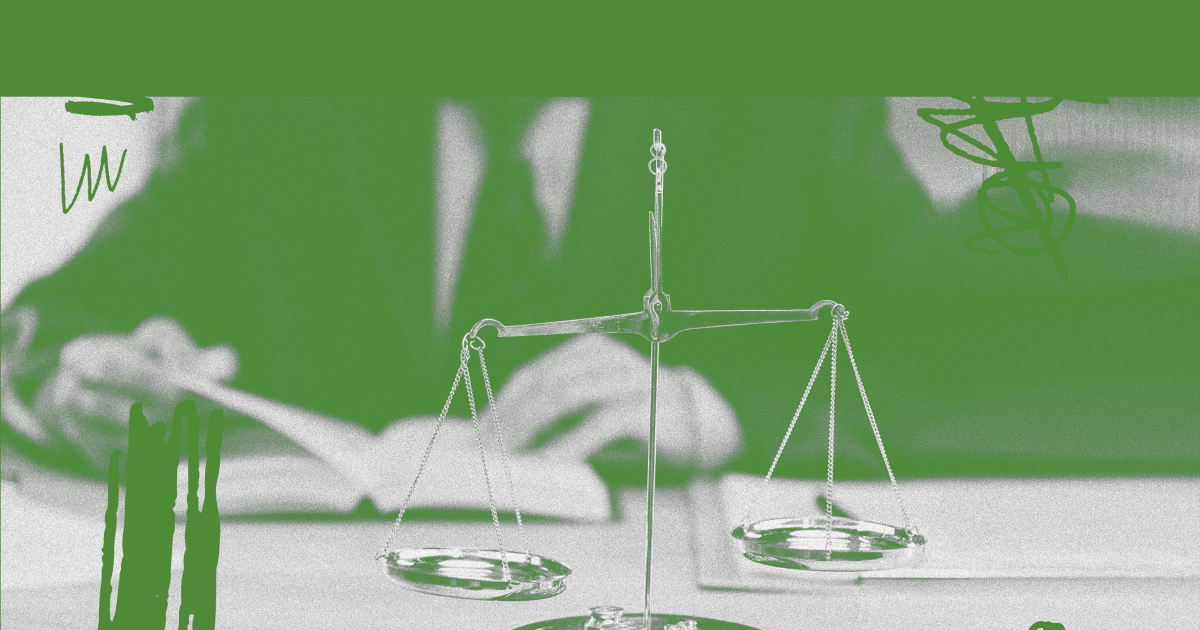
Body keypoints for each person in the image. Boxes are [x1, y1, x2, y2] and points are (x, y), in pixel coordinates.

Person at [4, 97, 1198, 505]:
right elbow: (64, 312)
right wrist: (83, 373)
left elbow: (922, 342)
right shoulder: (286, 96)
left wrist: (723, 404)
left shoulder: (783, 99)